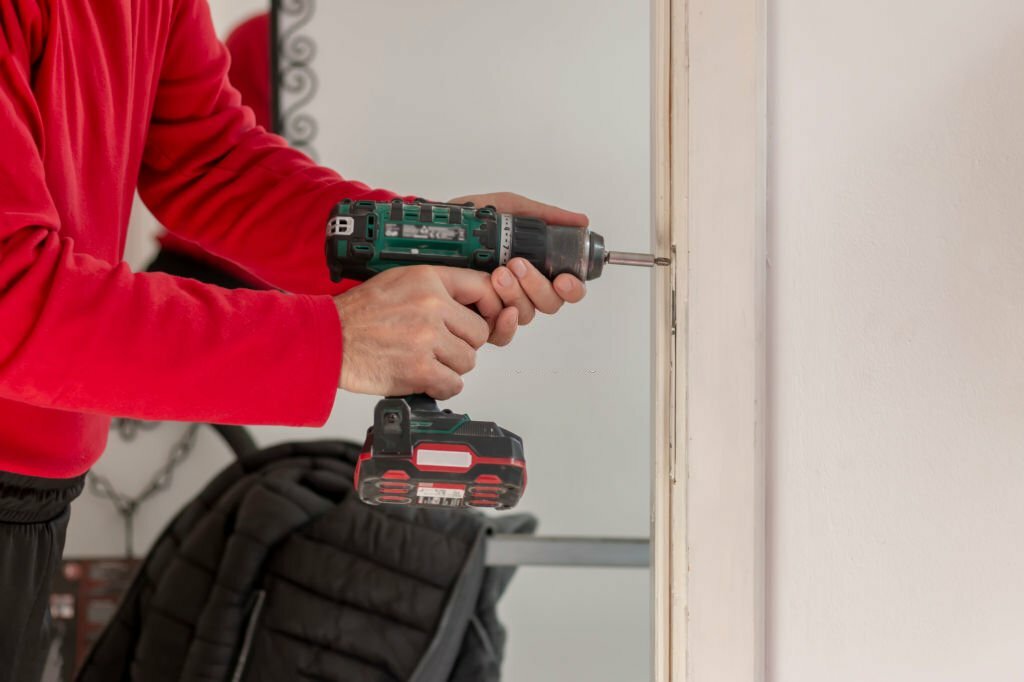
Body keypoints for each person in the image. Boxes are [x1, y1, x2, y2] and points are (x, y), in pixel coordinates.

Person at [0, 2, 588, 680]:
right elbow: (12, 295)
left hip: (35, 499)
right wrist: (332, 343)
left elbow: (207, 162)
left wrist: (420, 242)